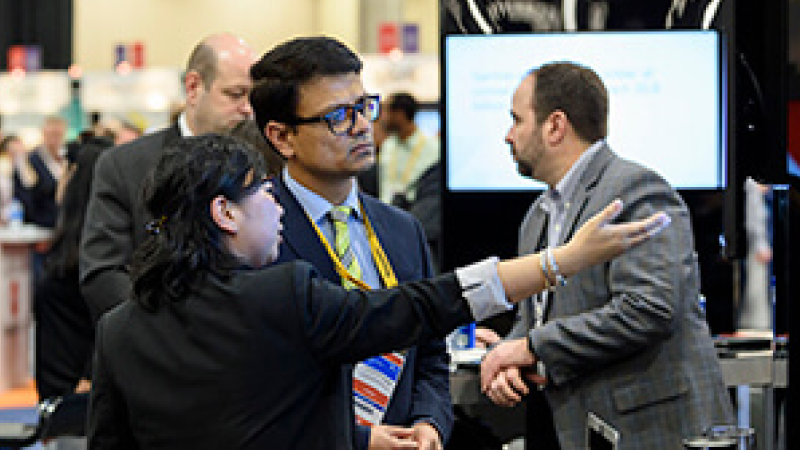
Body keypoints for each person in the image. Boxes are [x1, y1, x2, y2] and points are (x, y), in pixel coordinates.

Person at [87, 134, 669, 450]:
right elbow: (421, 306)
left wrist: (356, 437)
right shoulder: (283, 297)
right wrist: (559, 262)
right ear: (225, 214)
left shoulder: (119, 329)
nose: (275, 204)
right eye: (260, 192)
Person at [477, 62, 734, 449]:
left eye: (516, 120)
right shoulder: (537, 217)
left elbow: (648, 309)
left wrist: (530, 347)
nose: (508, 135)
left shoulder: (635, 190)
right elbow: (537, 316)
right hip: (576, 428)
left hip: (651, 431)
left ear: (555, 126)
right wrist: (506, 355)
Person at [249, 37, 448, 450]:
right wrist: (358, 440)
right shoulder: (252, 235)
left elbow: (430, 357)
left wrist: (430, 422)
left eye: (364, 106)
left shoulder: (402, 230)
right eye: (338, 116)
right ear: (282, 137)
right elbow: (252, 386)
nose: (361, 126)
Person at [79, 32, 255, 321]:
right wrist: (166, 335)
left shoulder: (263, 166)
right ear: (194, 87)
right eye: (235, 94)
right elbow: (102, 274)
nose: (247, 109)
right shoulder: (125, 166)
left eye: (253, 96)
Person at [35, 136, 114, 402]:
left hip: (79, 394)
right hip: (64, 390)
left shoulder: (92, 252)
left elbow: (108, 316)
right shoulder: (74, 243)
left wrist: (91, 376)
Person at [378, 92, 439, 205]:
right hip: (384, 213)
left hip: (418, 214)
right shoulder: (388, 145)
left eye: (385, 111)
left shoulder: (434, 148)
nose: (382, 117)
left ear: (400, 114)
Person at [16, 116, 68, 229]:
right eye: (52, 134)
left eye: (58, 134)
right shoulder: (29, 160)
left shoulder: (67, 159)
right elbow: (27, 196)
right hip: (39, 225)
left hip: (65, 224)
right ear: (43, 133)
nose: (55, 138)